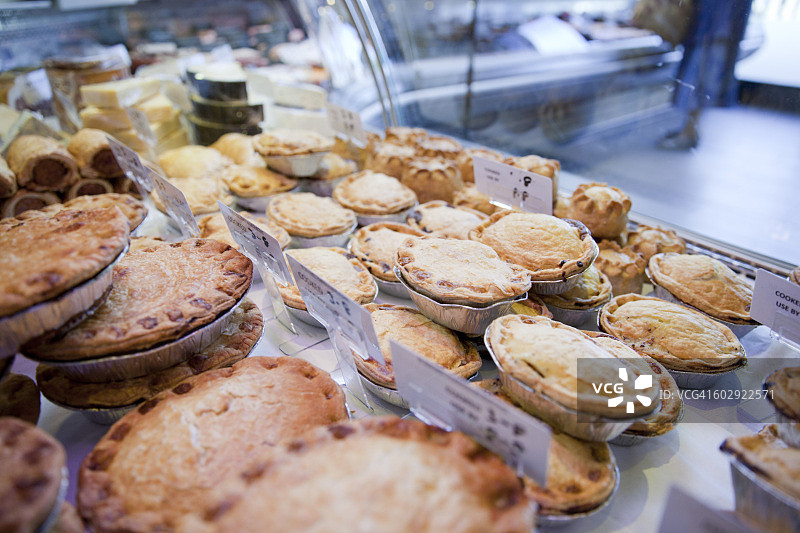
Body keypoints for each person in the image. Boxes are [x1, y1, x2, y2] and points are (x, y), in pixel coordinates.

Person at [659, 0, 753, 149]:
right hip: (716, 25)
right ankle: (690, 128)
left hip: (714, 26)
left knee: (701, 74)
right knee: (701, 72)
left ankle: (689, 131)